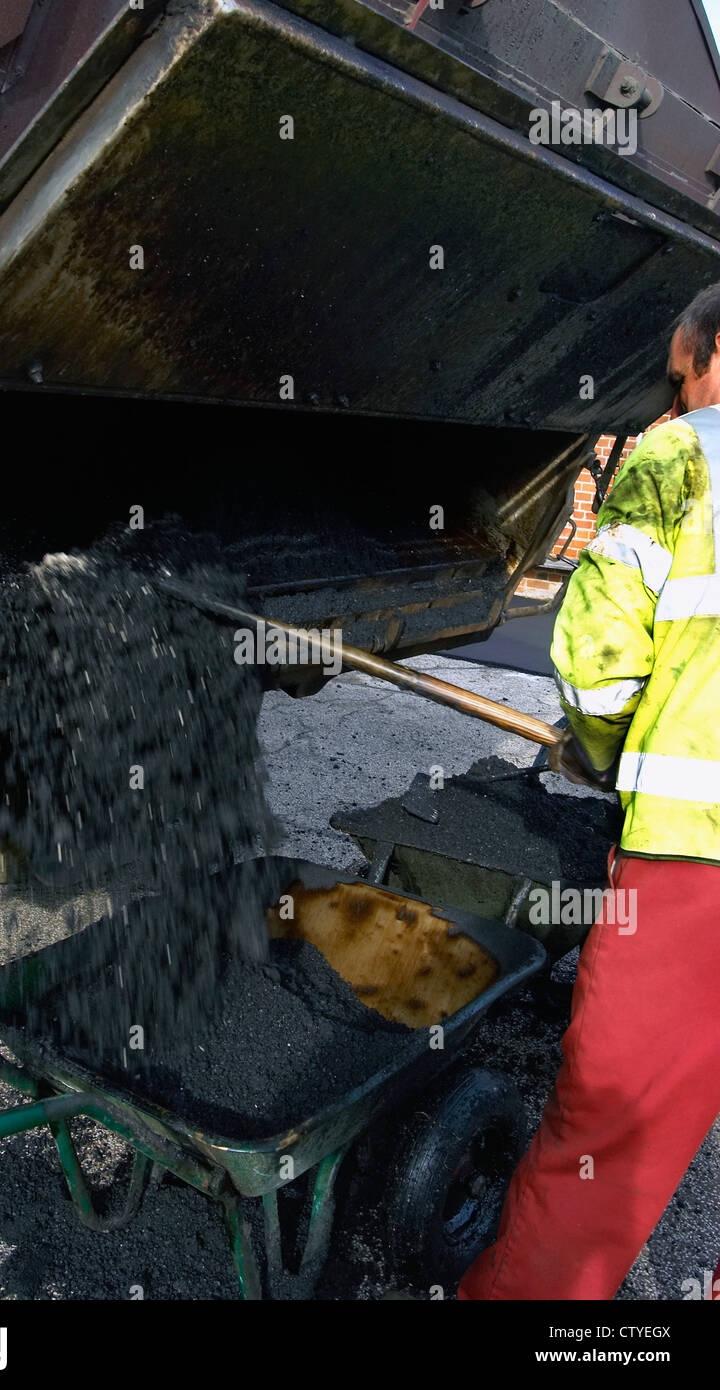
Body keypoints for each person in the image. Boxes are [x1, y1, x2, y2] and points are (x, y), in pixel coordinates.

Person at [458, 283, 720, 1301]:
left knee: (607, 1137)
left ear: (706, 353)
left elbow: (600, 659)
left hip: (699, 862)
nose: (672, 396)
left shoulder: (683, 454)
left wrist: (602, 751)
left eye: (676, 374)